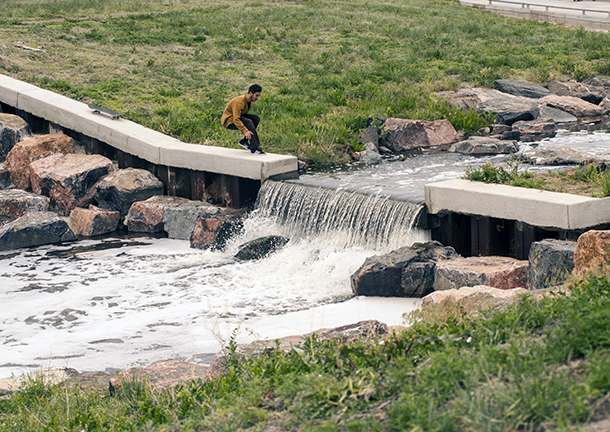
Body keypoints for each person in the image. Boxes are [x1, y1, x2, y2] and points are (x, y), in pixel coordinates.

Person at [221, 84, 265, 154]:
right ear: (250, 93)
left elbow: (242, 115)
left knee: (256, 118)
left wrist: (247, 130)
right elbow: (236, 119)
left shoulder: (250, 102)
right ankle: (254, 148)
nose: (258, 98)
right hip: (229, 121)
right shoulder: (239, 102)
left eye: (259, 95)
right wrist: (245, 130)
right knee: (249, 122)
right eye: (256, 95)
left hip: (238, 117)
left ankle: (244, 141)